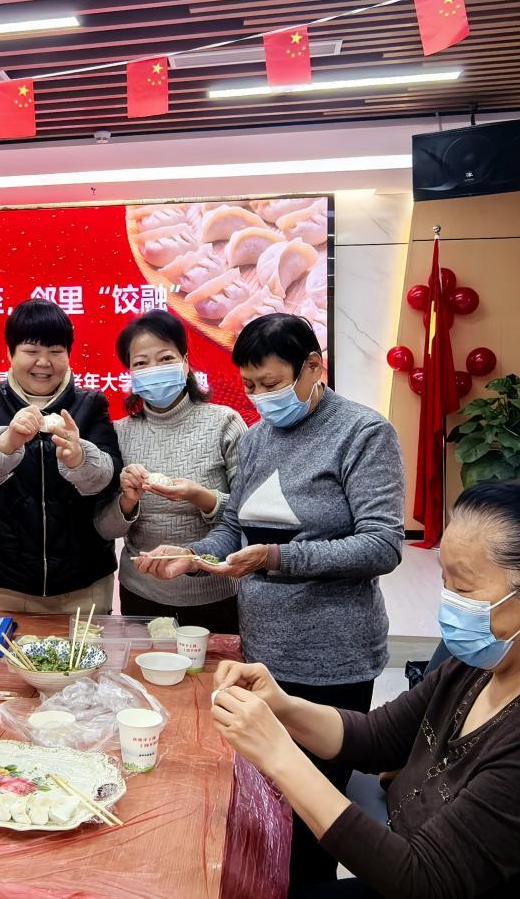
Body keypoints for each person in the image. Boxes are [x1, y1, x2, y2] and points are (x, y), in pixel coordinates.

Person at [211, 480, 520, 899]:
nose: (448, 602)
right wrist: (282, 707)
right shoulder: (487, 660)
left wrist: (278, 754)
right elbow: (378, 738)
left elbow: (423, 882)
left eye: (464, 589)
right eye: (445, 582)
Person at [135, 312, 405, 886]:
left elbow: (382, 544)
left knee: (314, 819)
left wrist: (278, 557)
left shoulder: (362, 433)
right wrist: (195, 556)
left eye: (273, 383)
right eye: (250, 386)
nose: (261, 398)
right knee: (264, 807)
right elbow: (236, 525)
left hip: (331, 660)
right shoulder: (258, 438)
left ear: (314, 367)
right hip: (262, 652)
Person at [0, 298, 124, 613]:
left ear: (68, 354)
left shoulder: (91, 403)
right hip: (5, 579)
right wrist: (8, 441)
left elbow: (110, 478)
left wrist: (79, 459)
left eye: (56, 351)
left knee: (88, 648)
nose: (44, 362)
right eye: (31, 351)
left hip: (83, 579)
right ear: (10, 353)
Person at [95, 310, 246, 632]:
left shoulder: (225, 422)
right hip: (142, 594)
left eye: (165, 358)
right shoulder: (118, 433)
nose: (154, 370)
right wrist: (127, 502)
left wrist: (200, 497)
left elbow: (248, 516)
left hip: (216, 594)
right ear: (130, 373)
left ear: (185, 362)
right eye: (141, 363)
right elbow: (105, 529)